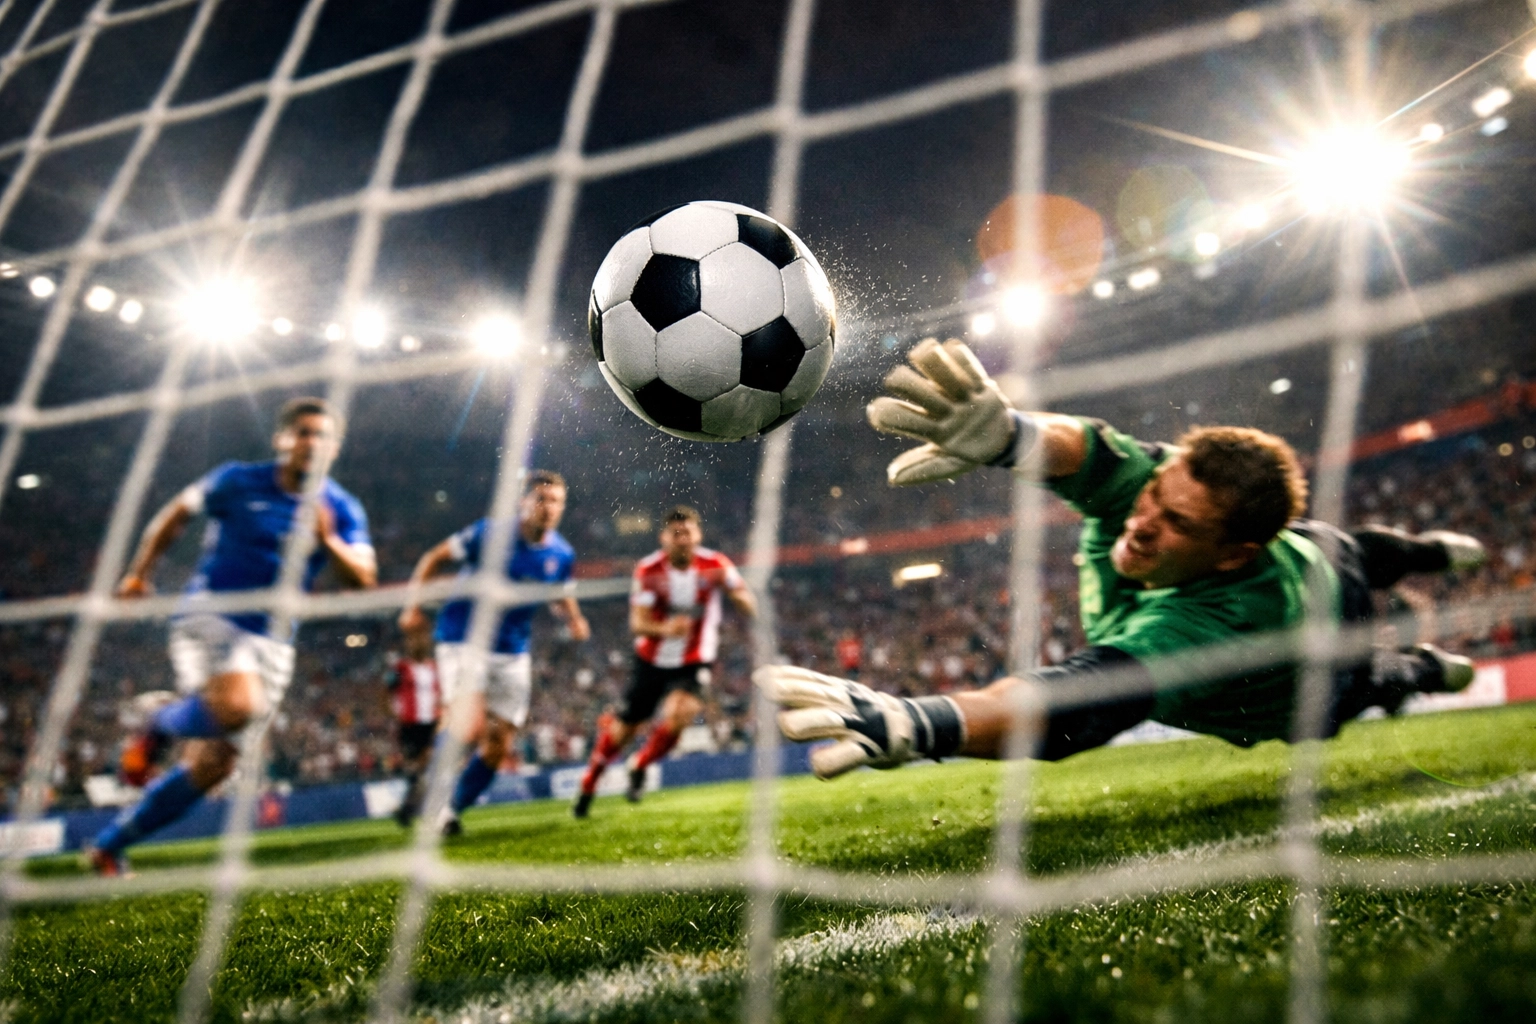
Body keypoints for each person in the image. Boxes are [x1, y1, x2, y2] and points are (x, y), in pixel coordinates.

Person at [758, 339, 1484, 777]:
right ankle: (1427, 604)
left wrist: (924, 723)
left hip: (1312, 662)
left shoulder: (1221, 625)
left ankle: (1417, 650)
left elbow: (1079, 699)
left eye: (1174, 525)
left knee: (1366, 652)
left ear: (1232, 554)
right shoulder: (1162, 493)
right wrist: (1011, 434)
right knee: (1345, 545)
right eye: (1153, 499)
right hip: (1308, 568)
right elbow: (1093, 451)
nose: (1141, 526)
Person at [89, 397, 375, 875]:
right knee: (239, 706)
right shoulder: (236, 479)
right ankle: (158, 721)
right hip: (213, 615)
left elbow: (362, 579)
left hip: (274, 642)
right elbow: (176, 514)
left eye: (322, 435)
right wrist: (139, 573)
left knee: (215, 765)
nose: (312, 442)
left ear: (336, 448)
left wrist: (328, 541)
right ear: (282, 439)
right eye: (302, 432)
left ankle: (108, 846)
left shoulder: (341, 508)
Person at [399, 470, 590, 836]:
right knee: (467, 725)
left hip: (513, 650)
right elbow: (433, 557)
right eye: (541, 499)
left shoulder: (561, 553)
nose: (549, 508)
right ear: (524, 502)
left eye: (556, 501)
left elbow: (561, 592)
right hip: (463, 638)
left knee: (499, 744)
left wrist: (575, 618)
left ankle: (451, 810)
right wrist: (412, 606)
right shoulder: (489, 534)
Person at [573, 505, 756, 817]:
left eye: (688, 533)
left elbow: (747, 601)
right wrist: (666, 629)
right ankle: (590, 781)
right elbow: (637, 624)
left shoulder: (716, 564)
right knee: (625, 729)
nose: (683, 539)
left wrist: (742, 600)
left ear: (698, 535)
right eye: (676, 534)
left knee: (681, 713)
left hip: (695, 659)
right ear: (664, 538)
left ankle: (640, 765)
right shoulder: (649, 570)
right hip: (652, 661)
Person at [386, 625, 441, 827]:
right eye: (413, 640)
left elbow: (439, 693)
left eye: (422, 639)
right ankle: (408, 809)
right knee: (417, 769)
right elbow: (385, 691)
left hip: (430, 724)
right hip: (409, 725)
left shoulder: (434, 667)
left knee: (423, 767)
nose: (418, 644)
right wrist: (393, 714)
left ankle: (408, 809)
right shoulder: (400, 668)